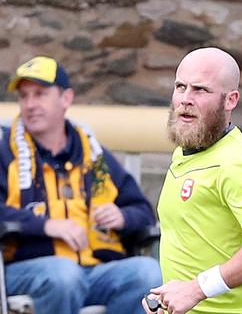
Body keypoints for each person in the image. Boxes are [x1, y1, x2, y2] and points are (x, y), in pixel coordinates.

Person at [0, 56, 161, 313]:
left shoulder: (94, 156)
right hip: (29, 270)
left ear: (66, 99)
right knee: (64, 275)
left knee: (148, 272)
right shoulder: (5, 152)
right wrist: (46, 226)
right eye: (23, 96)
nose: (29, 105)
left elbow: (142, 211)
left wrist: (122, 216)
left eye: (40, 94)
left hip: (95, 269)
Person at [143, 47, 242, 314]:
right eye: (180, 87)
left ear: (230, 100)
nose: (185, 99)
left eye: (201, 90)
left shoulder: (236, 162)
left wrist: (196, 289)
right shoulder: (188, 149)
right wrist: (169, 298)